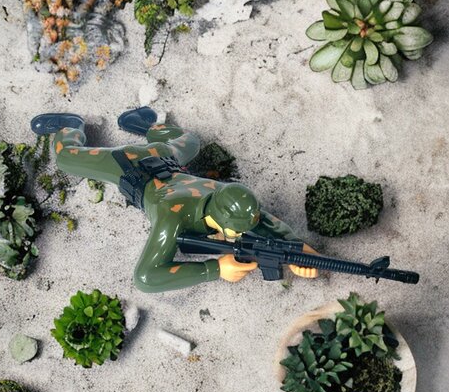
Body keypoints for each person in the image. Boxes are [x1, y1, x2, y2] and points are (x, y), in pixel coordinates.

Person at [31, 107, 318, 293]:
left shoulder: (222, 194)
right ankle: (70, 126)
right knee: (67, 159)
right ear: (218, 221)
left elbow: (267, 221)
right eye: (236, 232)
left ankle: (149, 127)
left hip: (165, 157)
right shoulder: (172, 217)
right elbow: (145, 278)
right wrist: (215, 269)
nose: (244, 234)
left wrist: (300, 250)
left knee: (190, 141)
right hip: (129, 166)